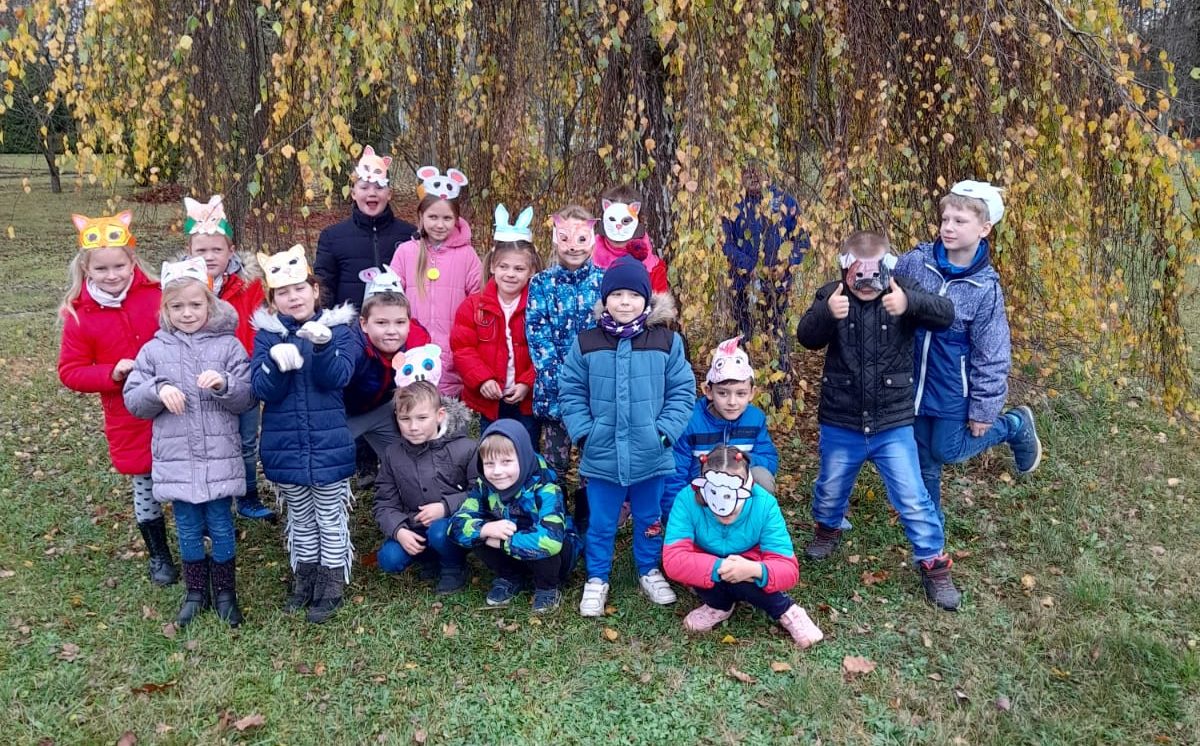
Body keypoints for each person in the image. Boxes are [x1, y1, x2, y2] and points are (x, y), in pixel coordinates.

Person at [796, 230, 964, 611]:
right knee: (830, 488)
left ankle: (933, 563)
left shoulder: (902, 291)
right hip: (841, 419)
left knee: (913, 496)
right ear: (845, 268)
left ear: (889, 268)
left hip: (892, 423)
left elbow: (945, 314)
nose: (868, 285)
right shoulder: (832, 294)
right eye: (860, 276)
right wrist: (827, 313)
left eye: (876, 275)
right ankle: (827, 526)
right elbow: (806, 337)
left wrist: (910, 303)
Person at [893, 181, 1042, 514]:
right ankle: (929, 531)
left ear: (984, 228)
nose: (948, 227)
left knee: (946, 449)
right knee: (924, 459)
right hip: (911, 381)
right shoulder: (917, 262)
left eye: (960, 221)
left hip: (951, 387)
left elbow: (992, 353)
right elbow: (886, 283)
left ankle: (1013, 425)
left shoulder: (984, 288)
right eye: (945, 219)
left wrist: (984, 409)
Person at [123, 257, 256, 627]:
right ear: (165, 309)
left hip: (219, 457)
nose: (187, 313)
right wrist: (157, 389)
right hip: (177, 459)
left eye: (195, 304)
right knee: (187, 527)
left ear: (210, 304)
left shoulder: (228, 346)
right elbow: (134, 399)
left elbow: (248, 396)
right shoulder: (153, 350)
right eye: (177, 306)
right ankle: (196, 592)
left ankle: (226, 593)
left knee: (221, 524)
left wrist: (225, 384)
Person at [559, 256, 695, 616]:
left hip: (651, 452)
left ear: (646, 300)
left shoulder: (667, 341)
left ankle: (648, 569)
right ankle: (597, 577)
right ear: (605, 299)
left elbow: (682, 391)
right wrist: (584, 434)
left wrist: (664, 434)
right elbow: (571, 391)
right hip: (602, 453)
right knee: (601, 522)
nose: (624, 302)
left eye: (633, 295)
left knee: (650, 518)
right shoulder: (587, 342)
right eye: (616, 295)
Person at [57, 211, 178, 587]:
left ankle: (196, 536)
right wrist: (111, 372)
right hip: (127, 413)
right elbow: (70, 371)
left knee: (184, 470)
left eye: (119, 266)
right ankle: (159, 553)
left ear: (132, 261)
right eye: (102, 268)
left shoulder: (157, 294)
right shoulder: (80, 315)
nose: (112, 275)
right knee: (145, 481)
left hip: (174, 404)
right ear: (86, 269)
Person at [251, 245, 358, 624]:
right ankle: (305, 578)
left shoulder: (340, 329)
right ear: (273, 299)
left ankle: (331, 584)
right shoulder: (267, 335)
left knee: (329, 516)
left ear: (315, 290)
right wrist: (275, 365)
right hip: (285, 446)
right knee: (300, 518)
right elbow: (262, 390)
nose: (293, 297)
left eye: (299, 289)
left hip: (328, 445)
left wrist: (324, 347)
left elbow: (338, 377)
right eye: (283, 292)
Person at [663, 446, 823, 648]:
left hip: (748, 567)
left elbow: (788, 568)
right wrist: (720, 567)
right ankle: (719, 605)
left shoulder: (765, 504)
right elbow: (673, 559)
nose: (725, 513)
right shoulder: (686, 500)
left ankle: (787, 610)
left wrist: (754, 569)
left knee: (744, 580)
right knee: (696, 571)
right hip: (706, 566)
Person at [183, 194, 275, 522]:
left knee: (246, 440)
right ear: (189, 252)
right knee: (208, 442)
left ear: (231, 251)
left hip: (241, 375)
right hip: (198, 378)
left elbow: (261, 324)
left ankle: (248, 496)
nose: (209, 256)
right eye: (201, 250)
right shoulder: (181, 287)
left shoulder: (250, 285)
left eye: (216, 250)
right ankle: (214, 499)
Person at [525, 204, 605, 529]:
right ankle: (553, 523)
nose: (573, 247)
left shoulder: (604, 283)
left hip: (595, 397)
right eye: (566, 238)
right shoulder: (541, 284)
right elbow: (538, 336)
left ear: (593, 239)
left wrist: (594, 383)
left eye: (581, 238)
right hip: (555, 396)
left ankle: (587, 526)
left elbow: (609, 336)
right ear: (555, 239)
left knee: (591, 463)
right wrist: (564, 384)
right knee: (553, 463)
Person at [449, 420, 576, 613]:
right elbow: (455, 526)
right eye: (489, 463)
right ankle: (510, 577)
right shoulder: (484, 486)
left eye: (506, 462)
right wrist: (485, 530)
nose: (497, 471)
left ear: (523, 458)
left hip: (551, 557)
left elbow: (551, 541)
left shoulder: (547, 488)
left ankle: (547, 587)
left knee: (553, 543)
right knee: (479, 532)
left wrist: (501, 543)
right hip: (512, 546)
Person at [450, 204, 541, 447]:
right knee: (491, 446)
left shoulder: (538, 306)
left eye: (519, 268)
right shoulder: (473, 306)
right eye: (504, 267)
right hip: (491, 397)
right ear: (492, 267)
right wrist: (483, 380)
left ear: (531, 271)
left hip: (525, 398)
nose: (510, 274)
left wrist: (527, 382)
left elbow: (543, 350)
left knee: (526, 447)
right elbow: (463, 349)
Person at [373, 378, 474, 595]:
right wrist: (399, 530)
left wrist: (445, 507)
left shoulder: (465, 448)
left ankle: (453, 566)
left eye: (422, 418)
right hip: (414, 525)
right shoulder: (392, 454)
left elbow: (480, 493)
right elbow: (384, 502)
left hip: (452, 524)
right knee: (389, 558)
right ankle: (429, 558)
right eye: (405, 419)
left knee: (439, 532)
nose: (413, 427)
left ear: (440, 415)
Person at [663, 335, 778, 523]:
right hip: (701, 490)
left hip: (738, 489)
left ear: (752, 393)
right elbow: (675, 471)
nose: (732, 402)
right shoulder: (691, 421)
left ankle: (751, 525)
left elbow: (770, 460)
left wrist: (740, 461)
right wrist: (674, 517)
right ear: (708, 391)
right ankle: (700, 526)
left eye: (741, 394)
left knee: (762, 477)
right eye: (723, 393)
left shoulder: (755, 419)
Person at [722, 165, 810, 405]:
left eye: (758, 172)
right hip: (742, 284)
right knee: (742, 334)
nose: (753, 177)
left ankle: (780, 390)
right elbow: (725, 243)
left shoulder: (785, 202)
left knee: (777, 334)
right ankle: (740, 387)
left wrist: (785, 265)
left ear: (767, 173)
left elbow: (803, 241)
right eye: (747, 172)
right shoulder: (732, 203)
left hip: (777, 286)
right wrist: (749, 267)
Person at [389, 167, 480, 396]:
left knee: (448, 411)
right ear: (421, 217)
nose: (440, 225)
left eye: (447, 218)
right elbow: (391, 299)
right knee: (416, 407)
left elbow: (478, 300)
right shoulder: (405, 252)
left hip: (452, 353)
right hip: (413, 353)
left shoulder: (467, 255)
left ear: (456, 219)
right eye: (433, 217)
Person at [314, 146, 418, 310]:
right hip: (349, 323)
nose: (372, 193)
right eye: (364, 187)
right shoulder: (332, 237)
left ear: (389, 194)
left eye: (379, 187)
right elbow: (324, 287)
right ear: (353, 193)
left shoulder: (409, 235)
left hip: (397, 322)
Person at [345, 266, 432, 461]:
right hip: (343, 413)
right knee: (327, 461)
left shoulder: (417, 343)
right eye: (382, 323)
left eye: (400, 322)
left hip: (383, 408)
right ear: (364, 324)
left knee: (405, 461)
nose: (392, 331)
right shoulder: (351, 347)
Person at [592, 184, 669, 294]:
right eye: (612, 219)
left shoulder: (654, 270)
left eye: (626, 221)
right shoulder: (585, 261)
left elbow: (661, 303)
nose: (618, 227)